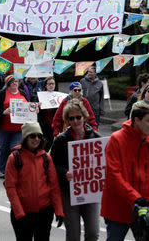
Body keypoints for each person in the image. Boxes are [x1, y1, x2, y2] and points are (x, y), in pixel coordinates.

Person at [101, 104, 149, 240]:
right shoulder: (116, 139)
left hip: (146, 207)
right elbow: (114, 174)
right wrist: (135, 197)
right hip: (118, 209)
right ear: (136, 120)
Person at [50, 99, 100, 241]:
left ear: (84, 117)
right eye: (71, 118)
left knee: (93, 232)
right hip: (69, 192)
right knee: (73, 235)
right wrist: (64, 173)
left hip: (90, 191)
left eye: (78, 117)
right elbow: (53, 166)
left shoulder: (95, 138)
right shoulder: (60, 140)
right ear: (67, 120)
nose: (76, 121)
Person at [5, 121, 64, 241]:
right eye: (32, 136)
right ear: (26, 137)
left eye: (39, 136)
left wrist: (59, 210)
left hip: (44, 213)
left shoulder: (46, 158)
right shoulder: (14, 158)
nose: (36, 139)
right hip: (23, 213)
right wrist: (20, 214)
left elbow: (54, 186)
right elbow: (11, 188)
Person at [0, 75, 28, 179]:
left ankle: (14, 171)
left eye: (16, 81)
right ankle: (3, 170)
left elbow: (28, 106)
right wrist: (3, 112)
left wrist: (35, 108)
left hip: (18, 128)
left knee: (15, 149)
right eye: (12, 82)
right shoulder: (1, 94)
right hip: (4, 127)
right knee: (4, 149)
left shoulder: (23, 93)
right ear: (8, 84)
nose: (15, 83)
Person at [37, 77, 58, 150]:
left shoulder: (58, 96)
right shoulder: (40, 96)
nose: (51, 85)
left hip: (55, 124)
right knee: (46, 145)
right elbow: (37, 113)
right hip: (45, 125)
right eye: (49, 84)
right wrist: (38, 106)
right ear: (45, 85)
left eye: (53, 84)